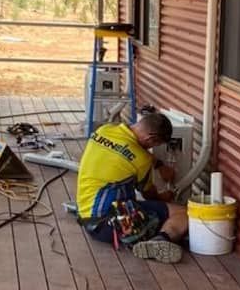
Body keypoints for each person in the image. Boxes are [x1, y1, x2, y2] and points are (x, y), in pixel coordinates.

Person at [76, 110, 188, 263]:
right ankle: (160, 240)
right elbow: (151, 195)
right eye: (155, 145)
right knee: (183, 213)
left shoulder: (105, 130)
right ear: (151, 138)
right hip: (111, 225)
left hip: (86, 216)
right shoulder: (142, 160)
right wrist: (167, 196)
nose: (151, 149)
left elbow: (128, 150)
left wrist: (159, 164)